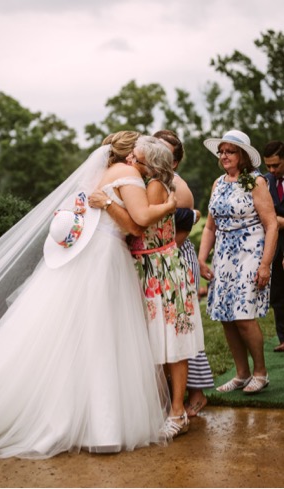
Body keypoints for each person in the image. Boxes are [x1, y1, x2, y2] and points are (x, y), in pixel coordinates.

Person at [0, 131, 176, 458]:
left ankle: (79, 418)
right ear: (129, 154)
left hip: (88, 254)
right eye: (134, 153)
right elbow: (137, 225)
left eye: (139, 156)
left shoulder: (102, 173)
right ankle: (101, 427)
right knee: (102, 337)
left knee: (77, 335)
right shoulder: (129, 175)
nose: (135, 160)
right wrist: (170, 205)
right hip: (104, 257)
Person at [124, 136, 204, 437]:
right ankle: (168, 408)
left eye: (136, 158)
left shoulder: (156, 185)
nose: (131, 161)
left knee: (173, 343)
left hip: (161, 270)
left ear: (151, 163)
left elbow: (140, 224)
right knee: (160, 342)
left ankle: (177, 412)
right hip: (153, 269)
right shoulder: (152, 184)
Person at [198, 130, 278, 394]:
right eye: (221, 151)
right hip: (223, 256)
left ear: (242, 156)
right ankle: (242, 373)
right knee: (225, 316)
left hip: (250, 253)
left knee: (243, 315)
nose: (223, 156)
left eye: (229, 151)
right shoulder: (218, 183)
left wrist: (265, 264)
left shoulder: (256, 182)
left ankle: (261, 372)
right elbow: (209, 227)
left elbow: (271, 225)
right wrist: (201, 258)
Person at [155, 130, 215, 417]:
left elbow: (175, 239)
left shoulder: (181, 188)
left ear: (175, 162)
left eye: (167, 153)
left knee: (182, 325)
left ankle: (197, 391)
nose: (159, 155)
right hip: (157, 262)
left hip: (176, 259)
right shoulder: (152, 182)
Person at [262, 141, 284, 352]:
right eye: (268, 166)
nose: (271, 170)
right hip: (275, 246)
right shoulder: (265, 182)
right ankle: (283, 338)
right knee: (277, 293)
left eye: (276, 165)